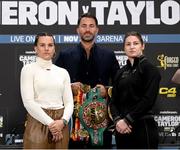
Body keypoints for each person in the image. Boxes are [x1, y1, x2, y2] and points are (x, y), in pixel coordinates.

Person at [55, 13, 120, 148]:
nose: (87, 29)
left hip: (100, 120)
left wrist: (107, 90)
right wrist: (68, 87)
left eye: (91, 26)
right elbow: (53, 84)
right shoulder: (65, 55)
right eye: (84, 26)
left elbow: (120, 85)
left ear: (97, 30)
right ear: (77, 29)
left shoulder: (109, 55)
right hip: (73, 120)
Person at [20, 32, 74, 149]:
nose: (46, 48)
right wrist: (51, 123)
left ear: (54, 49)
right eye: (42, 45)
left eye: (50, 45)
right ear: (35, 48)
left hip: (61, 124)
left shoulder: (63, 72)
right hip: (38, 120)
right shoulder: (28, 70)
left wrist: (63, 121)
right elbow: (28, 102)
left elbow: (69, 102)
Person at [109, 31, 161, 149]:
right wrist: (118, 121)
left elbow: (148, 100)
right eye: (128, 44)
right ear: (124, 48)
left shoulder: (150, 70)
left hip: (144, 128)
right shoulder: (120, 72)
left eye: (135, 43)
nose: (132, 46)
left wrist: (127, 120)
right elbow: (113, 102)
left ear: (142, 46)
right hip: (121, 130)